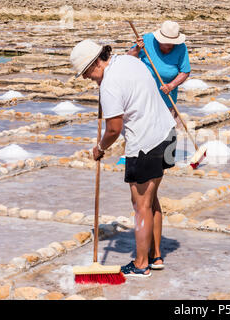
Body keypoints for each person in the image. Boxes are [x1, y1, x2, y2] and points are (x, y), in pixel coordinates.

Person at [70, 39, 177, 277]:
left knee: (141, 206)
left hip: (145, 144)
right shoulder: (129, 60)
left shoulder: (109, 85)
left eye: (86, 72)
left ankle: (141, 264)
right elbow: (131, 56)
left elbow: (113, 129)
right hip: (166, 133)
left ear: (96, 62)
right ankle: (156, 256)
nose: (87, 78)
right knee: (151, 199)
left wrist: (100, 148)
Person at [127, 20, 190, 124]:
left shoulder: (181, 47)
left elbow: (185, 72)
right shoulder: (147, 40)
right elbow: (128, 57)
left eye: (172, 43)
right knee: (145, 126)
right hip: (144, 95)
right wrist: (137, 48)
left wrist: (171, 85)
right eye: (166, 43)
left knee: (167, 127)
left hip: (167, 97)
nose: (170, 46)